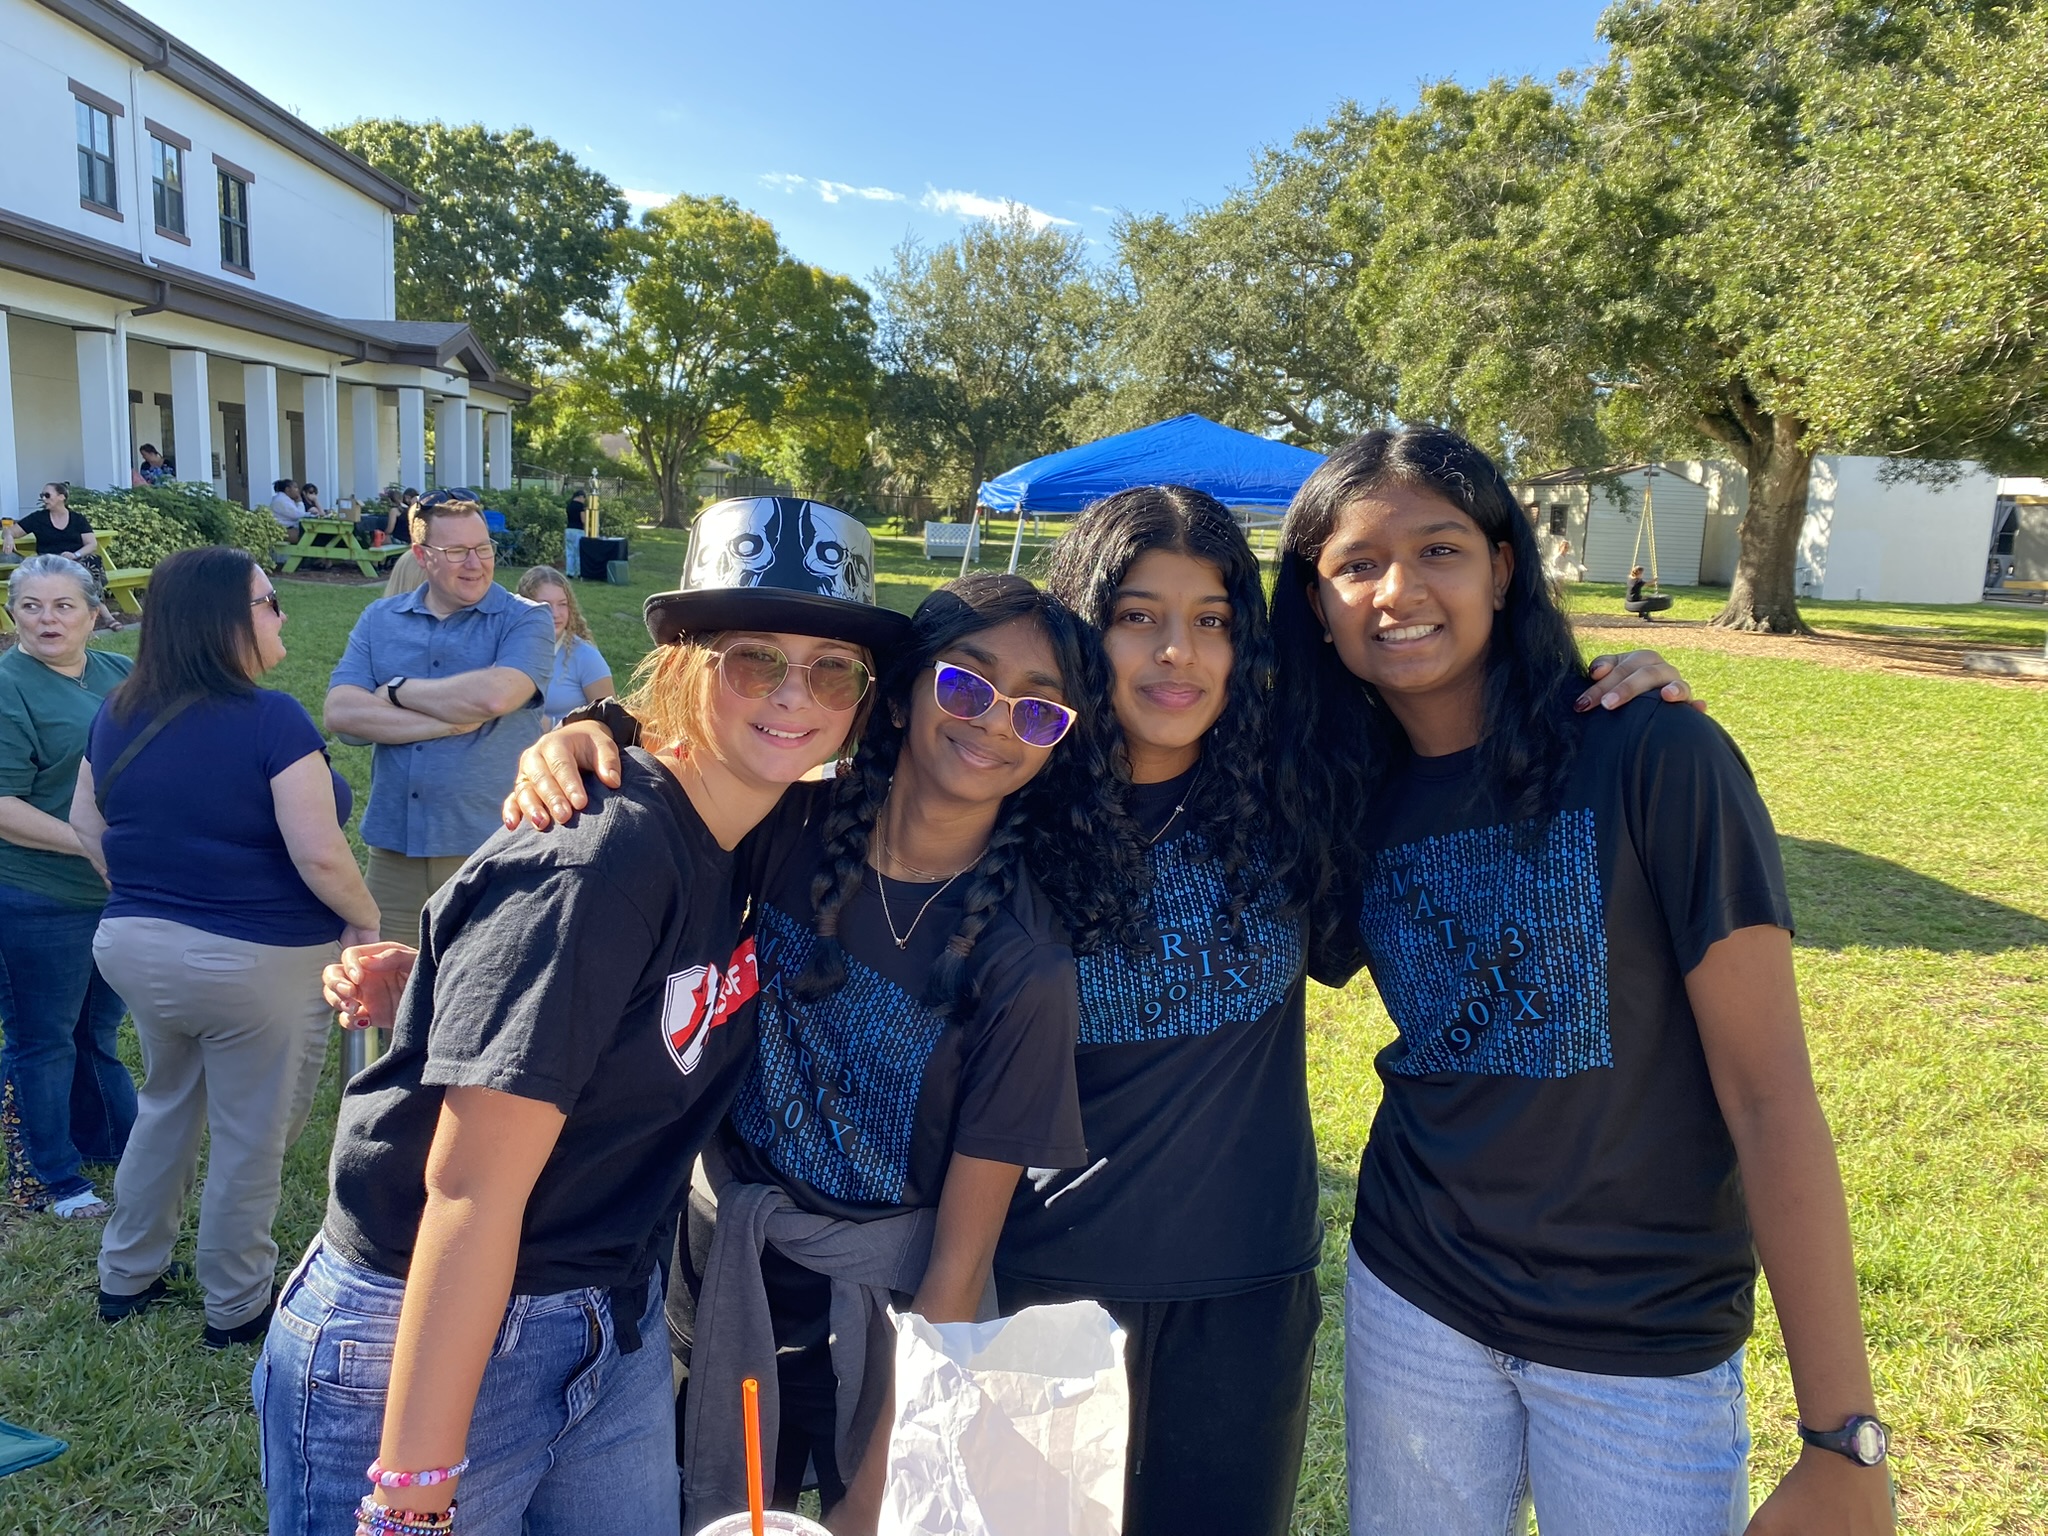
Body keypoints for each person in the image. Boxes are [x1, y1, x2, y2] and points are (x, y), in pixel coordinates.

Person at [1000, 486, 1691, 1536]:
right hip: (1040, 1282)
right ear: (1081, 626)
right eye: (1136, 615)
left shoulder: (1303, 798)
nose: (1175, 653)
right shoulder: (1008, 802)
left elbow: (1461, 737)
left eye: (1212, 621)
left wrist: (1608, 686)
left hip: (1242, 1291)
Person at [1270, 426, 1893, 1536]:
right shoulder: (1344, 791)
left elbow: (1767, 1097)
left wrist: (1843, 1437)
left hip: (1636, 1333)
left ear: (1503, 568)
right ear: (1316, 606)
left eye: (1439, 550)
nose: (1396, 589)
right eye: (1354, 565)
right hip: (1414, 1292)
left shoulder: (1650, 753)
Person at [260, 504, 909, 1536]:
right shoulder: (600, 857)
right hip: (431, 1331)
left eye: (834, 670)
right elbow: (466, 1193)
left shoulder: (761, 831)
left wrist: (587, 725)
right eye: (755, 660)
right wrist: (414, 1495)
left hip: (611, 1310)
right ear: (687, 667)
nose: (795, 695)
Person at [70, 548, 379, 1347]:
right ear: (225, 620)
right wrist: (366, 918)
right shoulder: (272, 719)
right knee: (251, 1134)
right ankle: (236, 1303)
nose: (280, 613)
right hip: (255, 964)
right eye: (270, 600)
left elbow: (85, 824)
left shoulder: (116, 711)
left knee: (166, 1105)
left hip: (136, 945)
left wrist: (146, 891)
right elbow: (318, 852)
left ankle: (125, 1275)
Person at [324, 496, 555, 943]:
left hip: (492, 847)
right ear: (421, 556)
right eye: (456, 552)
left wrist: (395, 691)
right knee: (391, 998)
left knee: (486, 1000)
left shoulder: (525, 618)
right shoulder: (380, 619)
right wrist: (447, 721)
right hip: (394, 856)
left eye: (483, 548)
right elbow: (342, 712)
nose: (474, 564)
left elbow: (496, 695)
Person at [0, 555, 135, 1218]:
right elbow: (3, 806)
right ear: (13, 612)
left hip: (114, 893)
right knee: (43, 1036)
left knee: (97, 1030)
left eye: (62, 606)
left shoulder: (121, 675)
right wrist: (100, 846)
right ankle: (51, 1176)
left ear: (92, 612)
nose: (47, 619)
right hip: (36, 893)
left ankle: (111, 1141)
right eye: (31, 606)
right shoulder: (7, 685)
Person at [4, 483, 124, 630]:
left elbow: (91, 544)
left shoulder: (77, 519)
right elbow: (11, 531)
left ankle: (98, 612)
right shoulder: (38, 518)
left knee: (89, 564)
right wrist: (9, 536)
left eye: (47, 495)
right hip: (49, 561)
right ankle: (105, 615)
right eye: (42, 496)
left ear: (62, 497)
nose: (44, 499)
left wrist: (74, 555)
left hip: (74, 559)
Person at [515, 566, 613, 728]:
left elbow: (611, 722)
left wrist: (553, 725)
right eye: (545, 604)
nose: (555, 613)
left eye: (562, 604)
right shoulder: (511, 649)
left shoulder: (586, 657)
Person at [564, 490, 587, 579]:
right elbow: (583, 520)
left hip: (569, 529)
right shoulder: (580, 506)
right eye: (584, 498)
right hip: (578, 530)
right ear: (581, 497)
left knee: (569, 552)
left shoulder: (569, 505)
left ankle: (570, 572)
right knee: (578, 552)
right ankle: (579, 572)